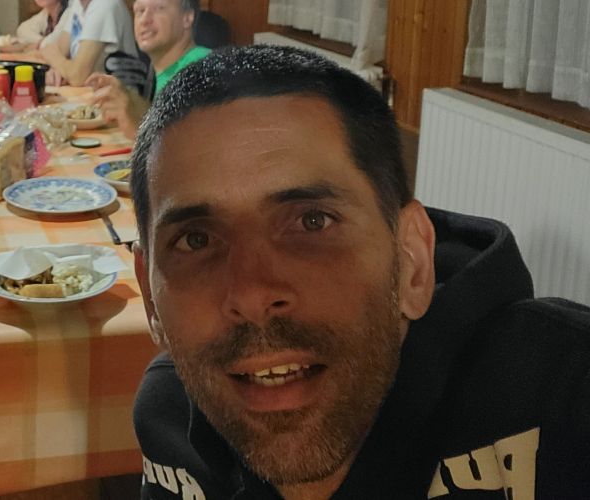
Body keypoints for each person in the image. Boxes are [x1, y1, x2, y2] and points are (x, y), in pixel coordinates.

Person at [129, 45, 590, 499]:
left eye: (313, 221)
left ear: (412, 262)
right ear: (151, 298)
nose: (252, 295)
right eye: (196, 240)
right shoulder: (169, 420)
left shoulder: (563, 394)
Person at [86, 0, 208, 138]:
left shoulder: (201, 72)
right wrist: (127, 96)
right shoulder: (169, 69)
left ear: (187, 18)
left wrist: (133, 124)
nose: (144, 20)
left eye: (159, 9)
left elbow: (183, 149)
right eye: (140, 10)